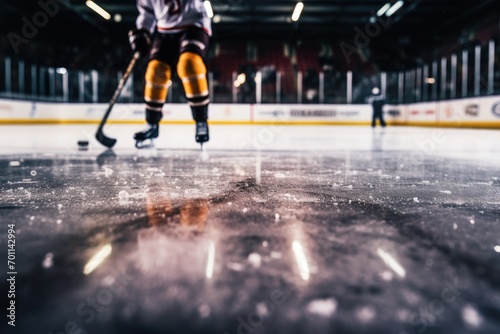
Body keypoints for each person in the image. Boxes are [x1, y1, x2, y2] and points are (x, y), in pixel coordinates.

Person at [129, 0, 212, 148]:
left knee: (190, 64)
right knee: (156, 71)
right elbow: (147, 12)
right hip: (164, 30)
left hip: (194, 26)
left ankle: (201, 121)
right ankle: (152, 124)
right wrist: (143, 30)